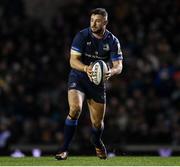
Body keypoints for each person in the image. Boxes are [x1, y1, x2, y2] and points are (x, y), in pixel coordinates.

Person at [55, 8, 123, 160]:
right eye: (92, 20)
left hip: (97, 82)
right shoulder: (82, 35)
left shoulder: (112, 41)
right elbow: (73, 60)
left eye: (98, 21)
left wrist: (111, 72)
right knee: (75, 108)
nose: (93, 23)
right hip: (79, 76)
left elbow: (119, 65)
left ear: (105, 22)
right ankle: (64, 149)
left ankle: (96, 141)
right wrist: (86, 68)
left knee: (97, 123)